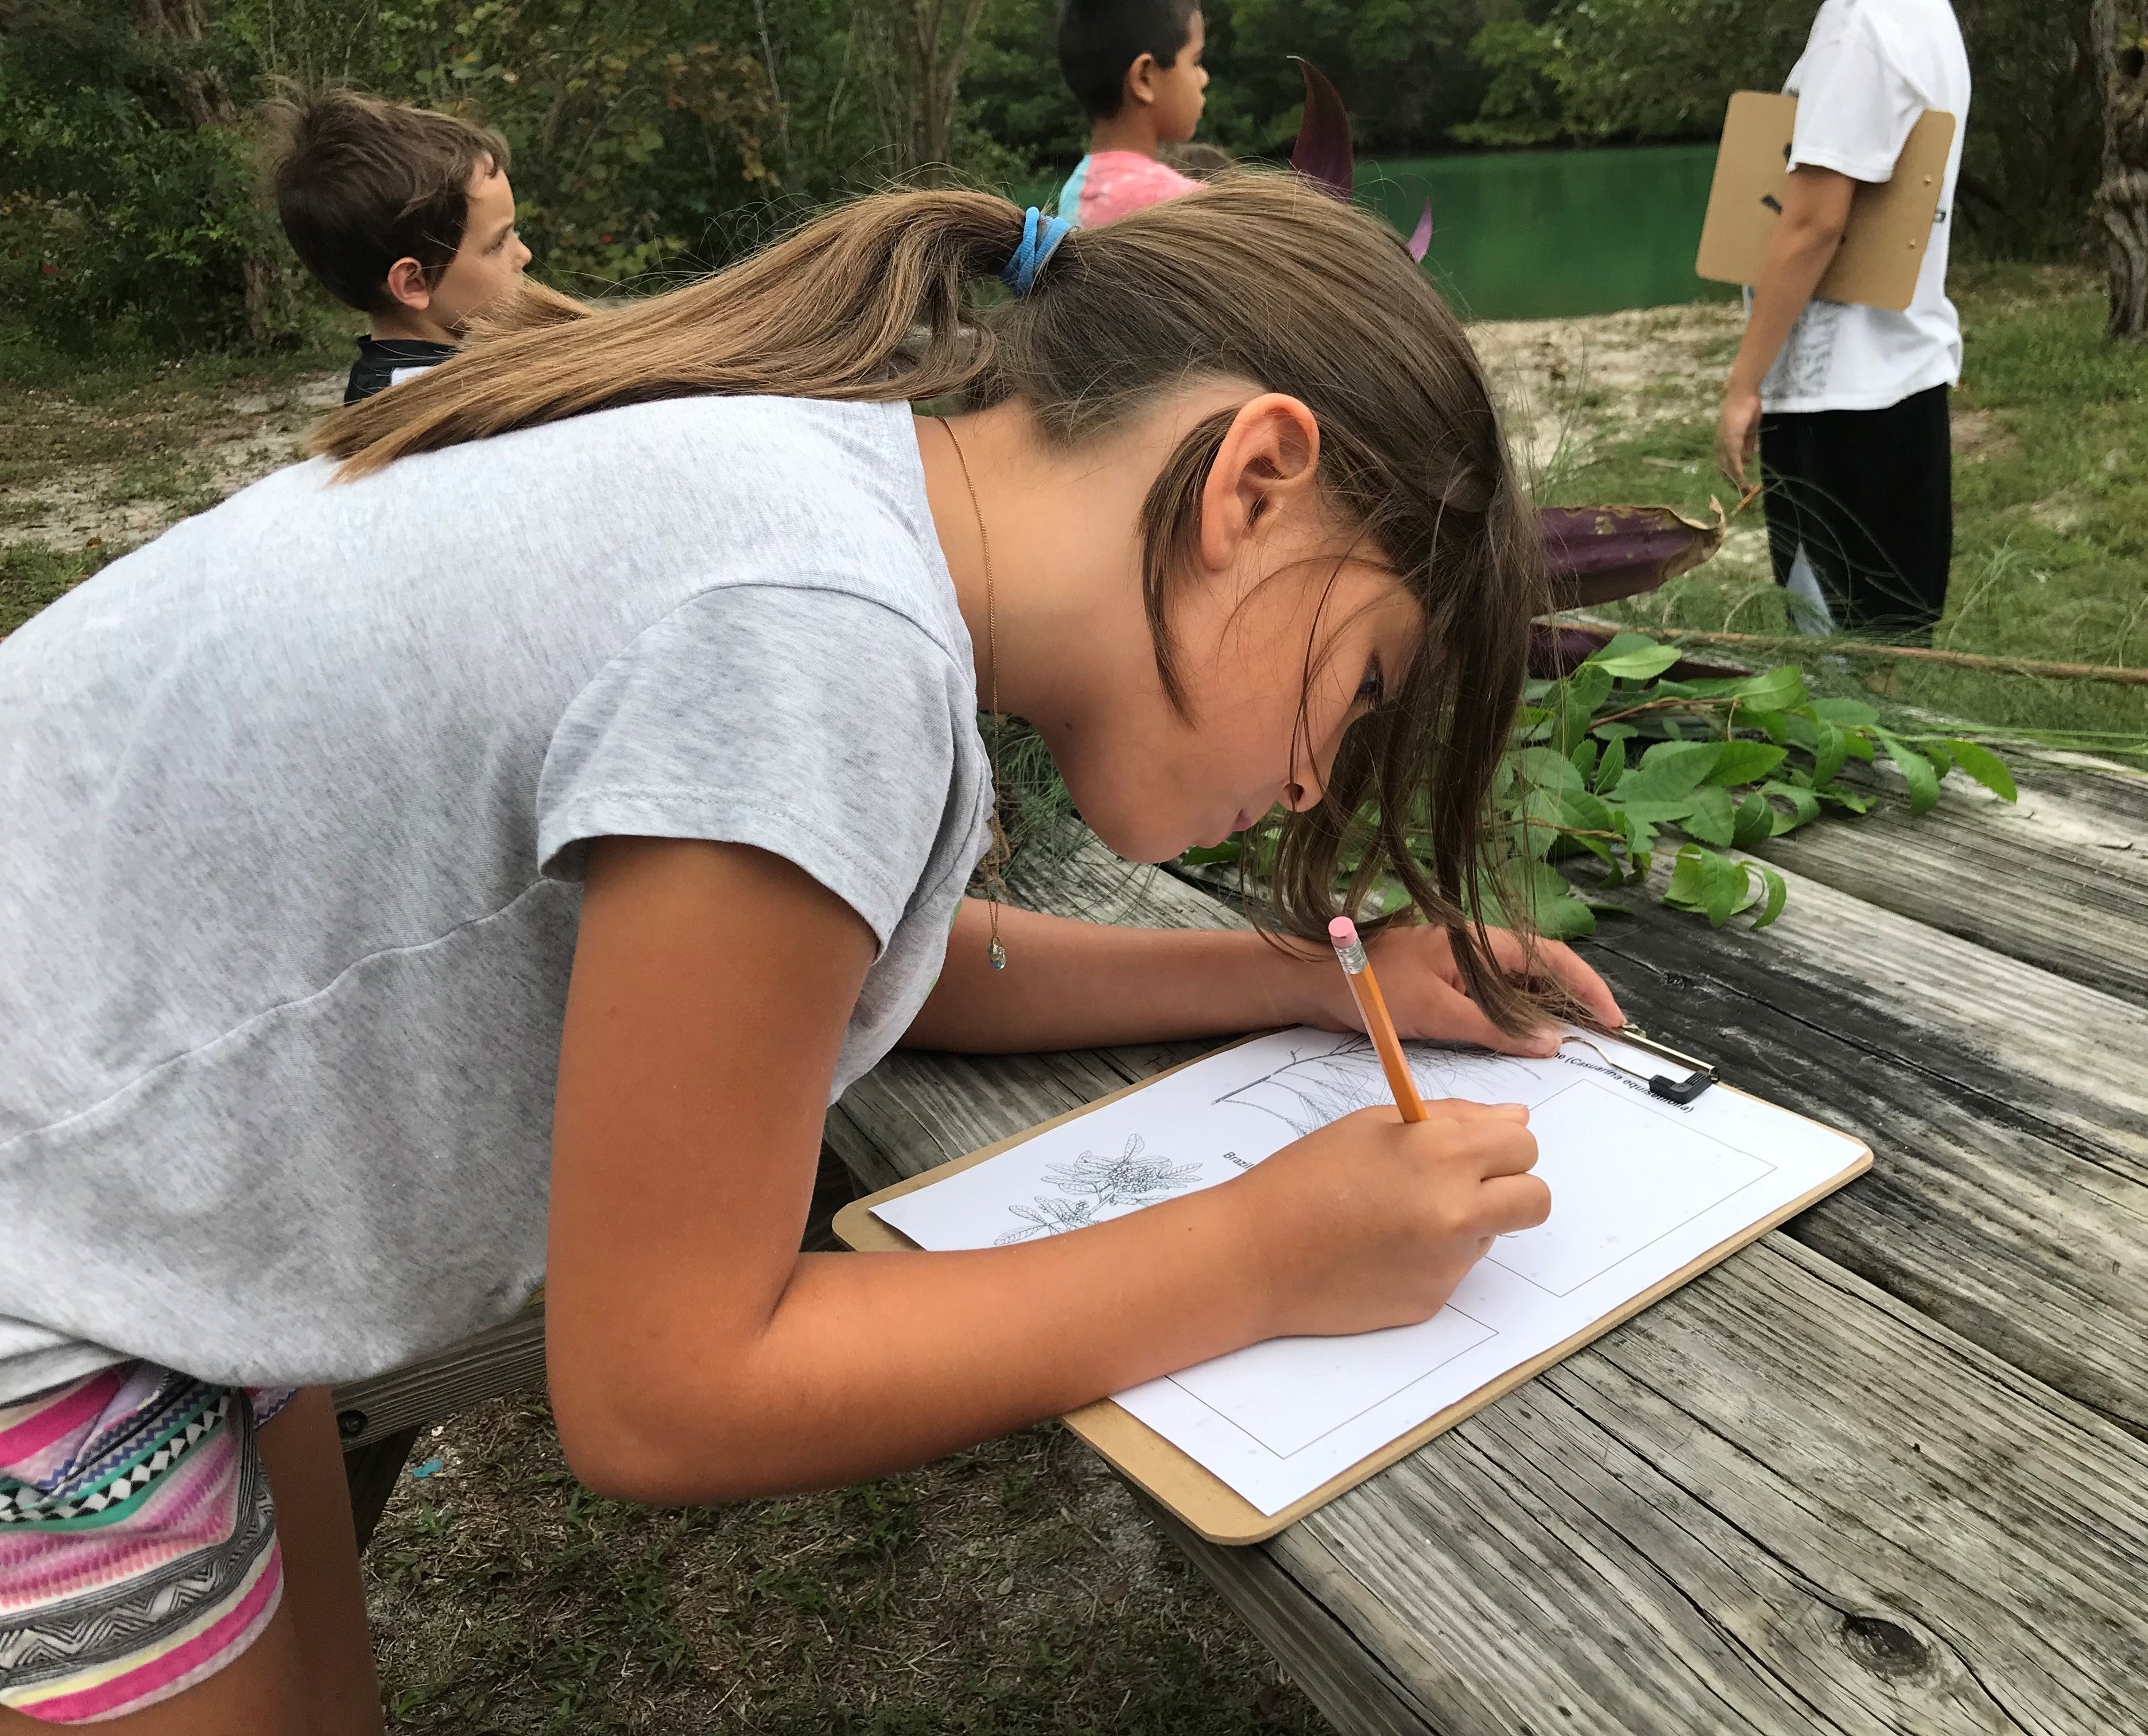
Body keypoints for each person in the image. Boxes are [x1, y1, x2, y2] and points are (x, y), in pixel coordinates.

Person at [0, 181, 1623, 1730]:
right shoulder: (824, 635)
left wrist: (1288, 981)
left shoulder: (830, 503)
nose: (1313, 785)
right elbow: (668, 1392)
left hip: (126, 1185)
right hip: (44, 1262)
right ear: (1252, 483)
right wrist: (1266, 1255)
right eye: (1356, 697)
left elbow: (830, 978)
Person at [1714, 0, 1971, 644]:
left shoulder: (1859, 24)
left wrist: (1746, 383)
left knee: (1833, 660)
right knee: (1896, 644)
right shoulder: (1926, 14)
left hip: (1837, 399)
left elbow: (1813, 223)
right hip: (1907, 372)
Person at [262, 88, 536, 405]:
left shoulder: (435, 378)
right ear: (412, 283)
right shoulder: (432, 408)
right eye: (498, 243)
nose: (524, 254)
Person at [1053, 0, 1211, 227]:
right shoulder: (1184, 206)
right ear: (1144, 78)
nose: (1204, 78)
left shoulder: (1074, 193)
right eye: (1195, 62)